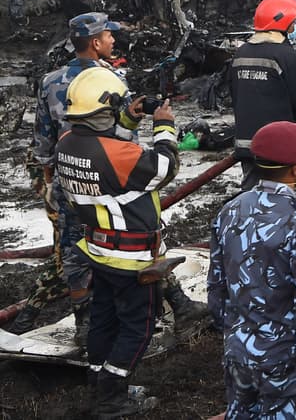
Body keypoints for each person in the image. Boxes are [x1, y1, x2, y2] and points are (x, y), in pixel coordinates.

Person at [56, 69, 177, 417]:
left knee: (104, 320)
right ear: (104, 110)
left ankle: (97, 380)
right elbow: (164, 167)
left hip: (99, 253)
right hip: (132, 260)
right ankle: (112, 396)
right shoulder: (116, 155)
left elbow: (111, 152)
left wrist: (126, 118)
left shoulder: (67, 143)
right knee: (139, 329)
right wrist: (163, 126)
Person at [13, 12, 125, 338]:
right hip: (104, 179)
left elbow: (43, 142)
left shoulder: (50, 82)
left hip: (66, 178)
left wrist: (50, 181)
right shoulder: (110, 81)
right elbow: (123, 137)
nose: (113, 39)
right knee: (125, 241)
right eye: (108, 35)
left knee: (72, 250)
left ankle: (83, 322)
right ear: (95, 42)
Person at [209, 122, 296, 420]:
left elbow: (216, 282)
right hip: (282, 353)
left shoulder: (230, 209)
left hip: (237, 347)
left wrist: (230, 330)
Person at [230, 0, 296, 191]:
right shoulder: (290, 57)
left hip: (246, 143)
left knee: (251, 194)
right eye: (293, 24)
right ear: (282, 24)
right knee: (279, 199)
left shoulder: (240, 54)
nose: (294, 29)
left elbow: (235, 95)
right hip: (279, 146)